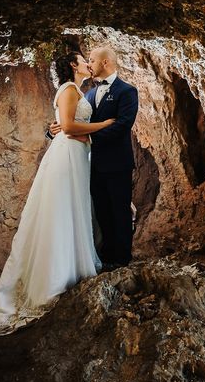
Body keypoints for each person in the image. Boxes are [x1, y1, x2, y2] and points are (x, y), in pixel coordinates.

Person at [0, 52, 111, 335]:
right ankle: (50, 281)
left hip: (77, 155)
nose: (89, 64)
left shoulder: (79, 91)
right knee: (60, 212)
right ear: (72, 66)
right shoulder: (68, 89)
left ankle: (72, 267)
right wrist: (101, 127)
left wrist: (81, 135)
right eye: (83, 60)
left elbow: (65, 127)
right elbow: (66, 126)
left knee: (73, 210)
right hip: (67, 156)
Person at [50, 46, 139, 271]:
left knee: (119, 209)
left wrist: (87, 136)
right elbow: (72, 121)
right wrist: (53, 130)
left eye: (92, 60)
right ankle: (105, 257)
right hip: (91, 163)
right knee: (100, 212)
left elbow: (122, 126)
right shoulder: (88, 94)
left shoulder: (127, 91)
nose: (89, 64)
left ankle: (122, 260)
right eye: (86, 60)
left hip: (117, 162)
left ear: (106, 62)